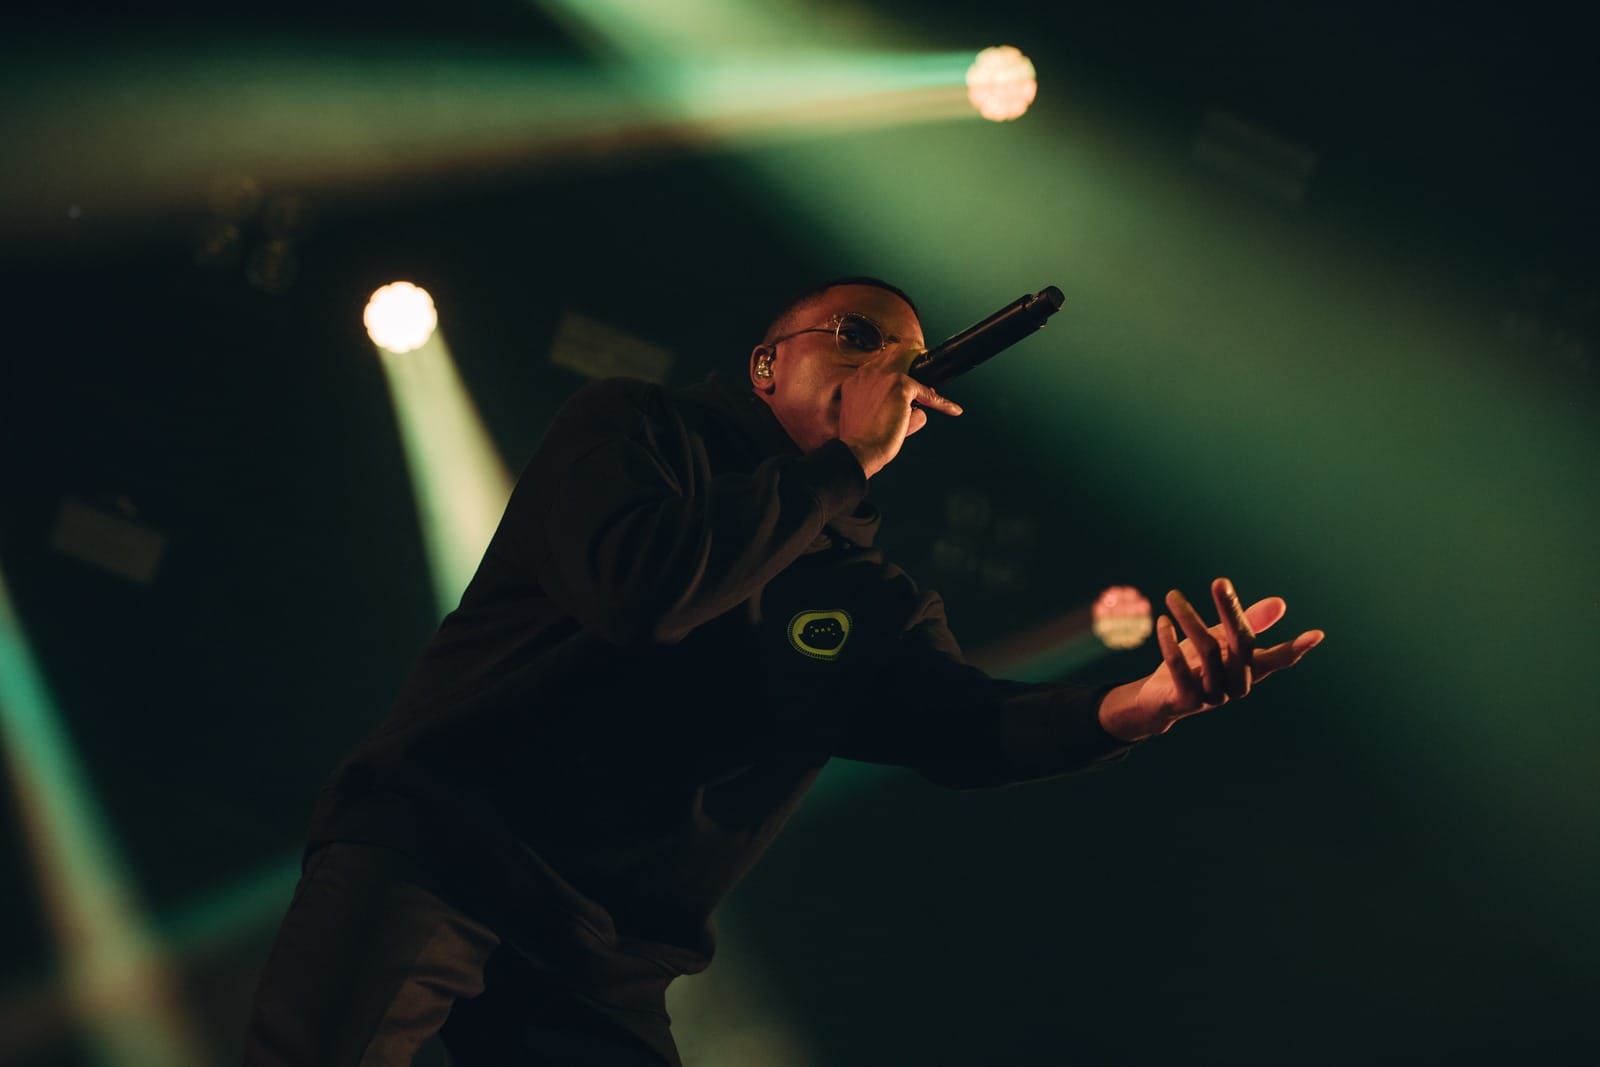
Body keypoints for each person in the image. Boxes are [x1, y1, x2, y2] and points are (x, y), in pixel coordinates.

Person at [243, 277, 1323, 1065]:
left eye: (907, 357)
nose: (887, 364)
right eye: (856, 337)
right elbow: (643, 593)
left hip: (604, 953)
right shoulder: (635, 429)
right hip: (442, 849)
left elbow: (969, 727)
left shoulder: (868, 594)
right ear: (767, 365)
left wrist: (1146, 702)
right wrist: (839, 465)